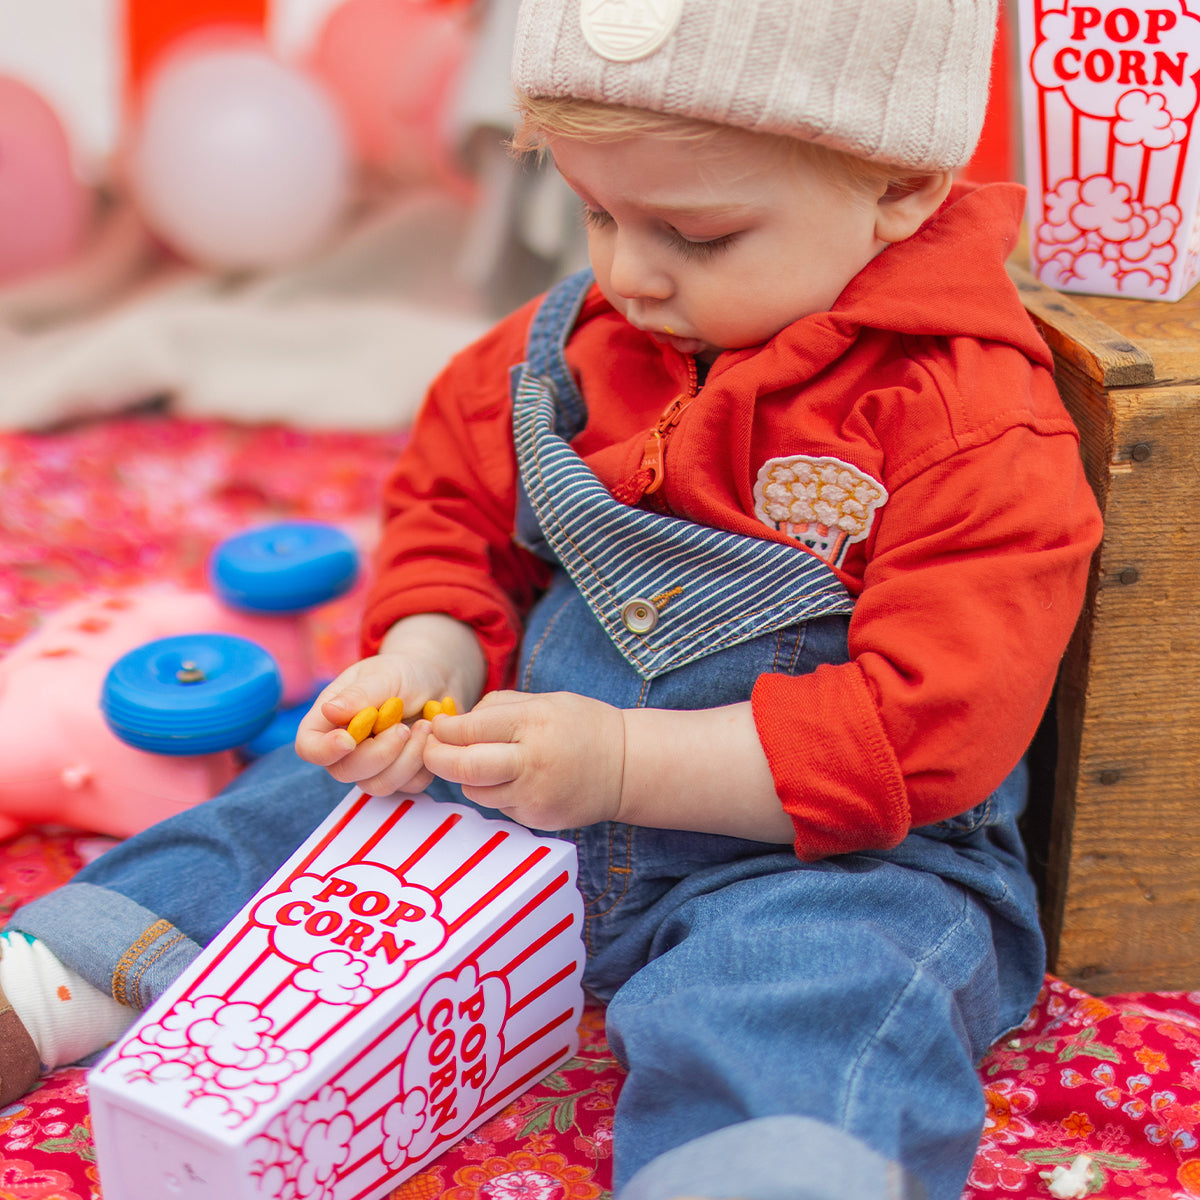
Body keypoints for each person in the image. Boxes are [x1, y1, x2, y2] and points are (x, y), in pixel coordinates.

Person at [0, 1, 1104, 1197]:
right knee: (297, 809)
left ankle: (761, 1165)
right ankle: (53, 981)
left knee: (826, 977)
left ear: (898, 188)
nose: (629, 272)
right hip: (526, 782)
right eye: (594, 213)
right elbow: (452, 511)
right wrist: (426, 661)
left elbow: (928, 729)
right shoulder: (570, 347)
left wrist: (628, 765)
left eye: (698, 233)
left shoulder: (969, 419)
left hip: (813, 850)